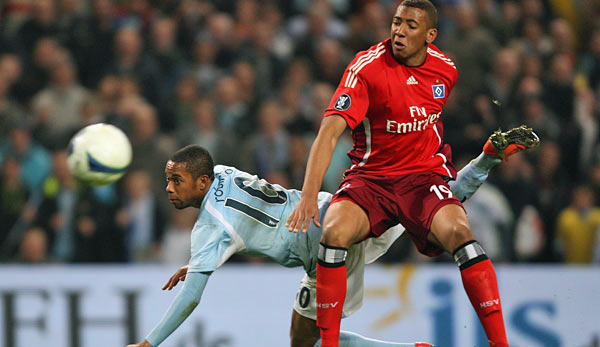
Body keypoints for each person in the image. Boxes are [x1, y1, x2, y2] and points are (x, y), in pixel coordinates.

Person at [126, 131, 537, 347]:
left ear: (200, 181)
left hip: (328, 250)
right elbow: (241, 220)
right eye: (167, 180)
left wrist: (149, 343)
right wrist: (202, 258)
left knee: (307, 341)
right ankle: (484, 161)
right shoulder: (225, 174)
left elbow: (193, 295)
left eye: (175, 180)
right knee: (431, 210)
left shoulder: (209, 227)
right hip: (343, 207)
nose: (169, 188)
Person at [285, 1, 539, 346]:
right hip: (370, 179)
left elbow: (428, 127)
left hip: (423, 178)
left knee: (461, 233)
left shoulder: (445, 71)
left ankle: (500, 344)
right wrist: (309, 196)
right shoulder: (366, 68)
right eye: (396, 22)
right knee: (334, 231)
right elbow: (328, 133)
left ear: (430, 35)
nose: (399, 31)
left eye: (410, 26)